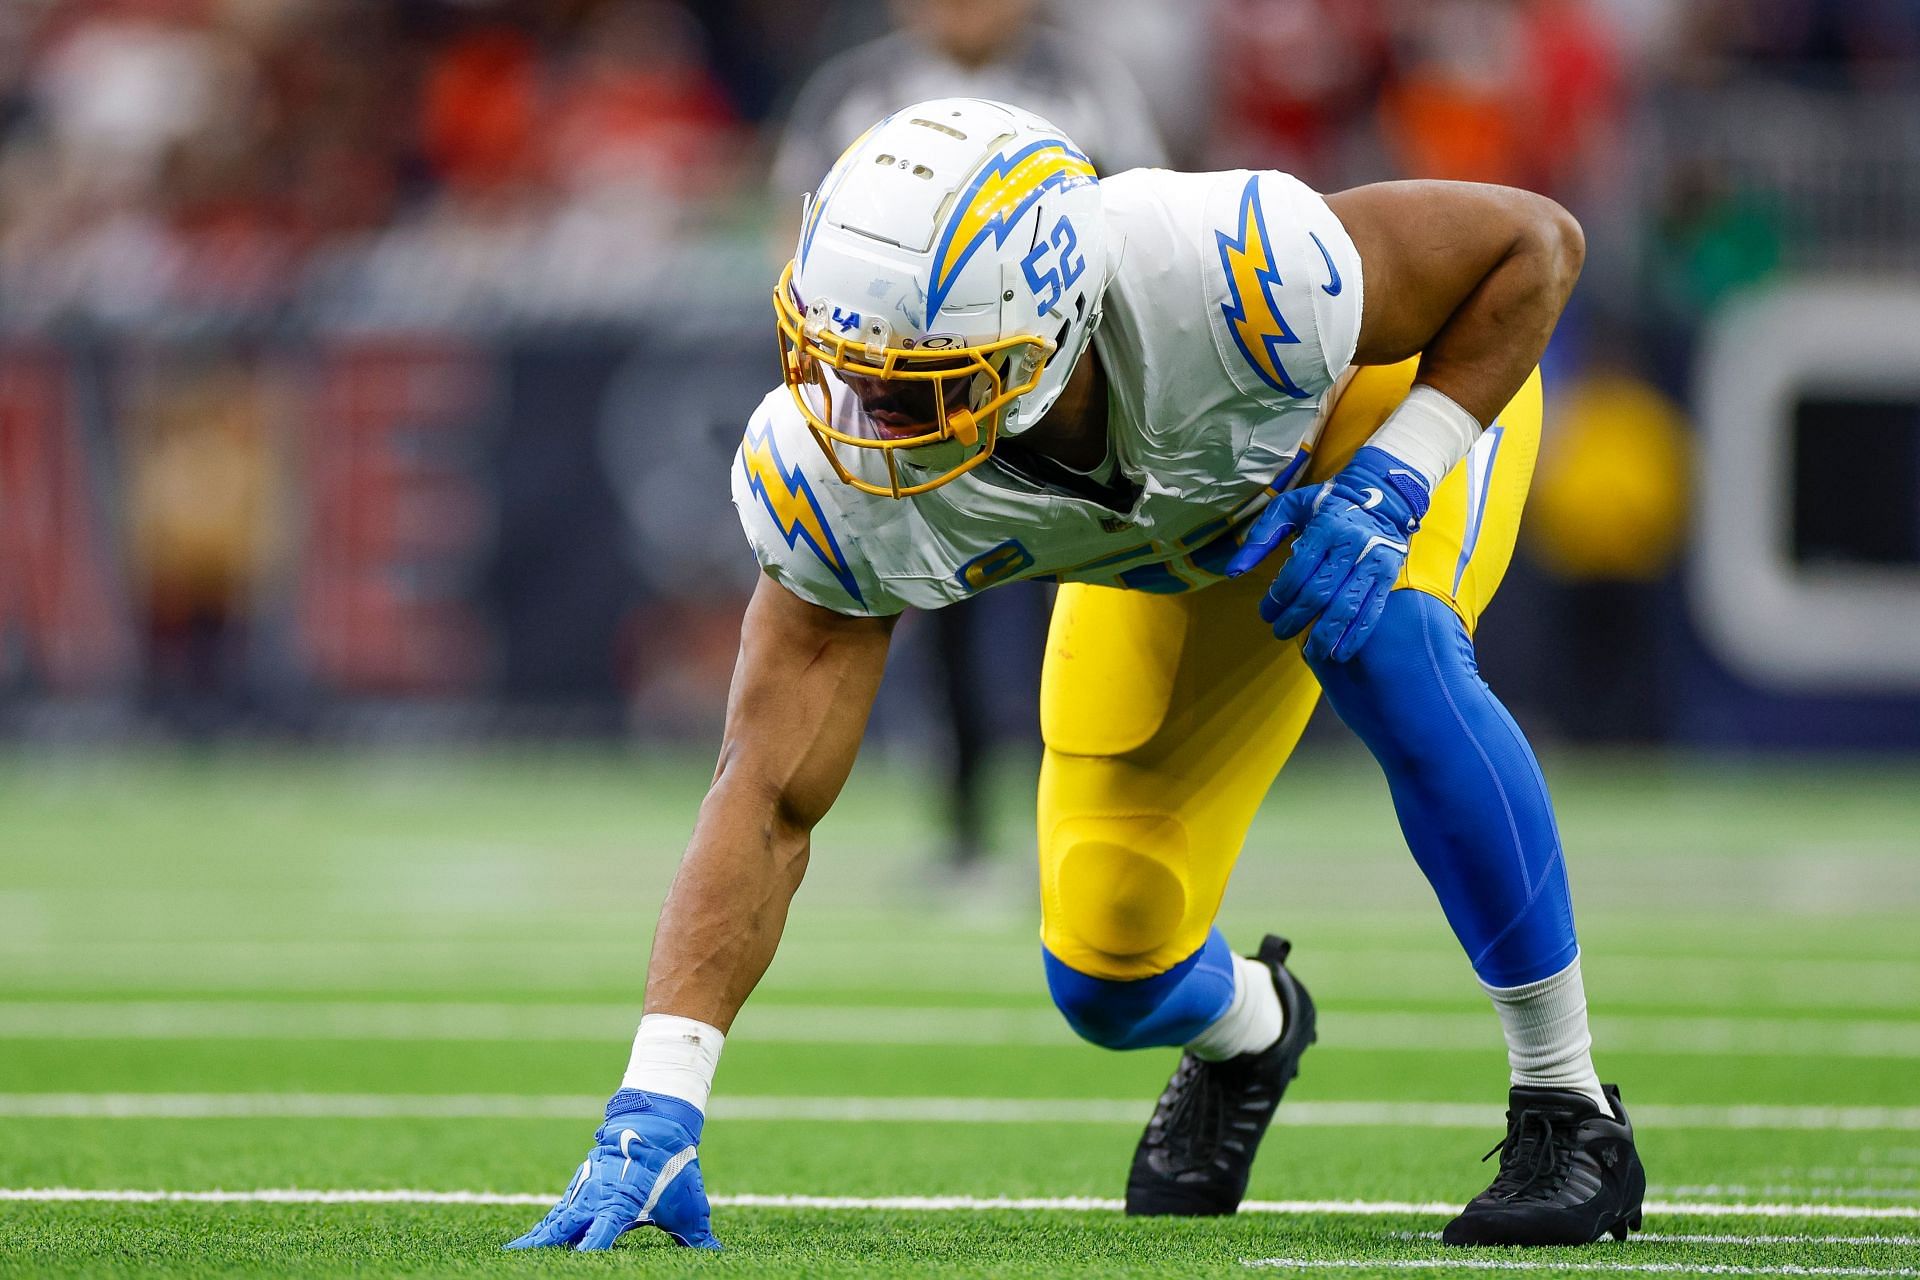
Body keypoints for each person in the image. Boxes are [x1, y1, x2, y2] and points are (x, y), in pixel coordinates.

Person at [506, 97, 1646, 1254]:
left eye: (914, 383)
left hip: (1365, 428)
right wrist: (658, 1099)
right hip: (1178, 552)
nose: (861, 419)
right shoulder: (835, 467)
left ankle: (1569, 1101)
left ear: (1047, 335)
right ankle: (1255, 1027)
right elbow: (767, 792)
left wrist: (1400, 475)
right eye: (840, 366)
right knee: (1109, 965)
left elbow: (1531, 243)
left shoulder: (1236, 271)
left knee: (1385, 642)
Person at [770, 0, 1169, 868]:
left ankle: (1082, 816)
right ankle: (963, 824)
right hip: (915, 402)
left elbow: (1146, 223)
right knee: (934, 614)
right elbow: (797, 244)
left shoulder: (1082, 81)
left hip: (1060, 400)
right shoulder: (858, 88)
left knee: (1081, 614)